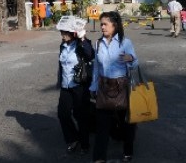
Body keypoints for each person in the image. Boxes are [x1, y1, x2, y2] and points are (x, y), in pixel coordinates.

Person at [90, 11, 139, 163]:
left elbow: (135, 63)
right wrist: (93, 86)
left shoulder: (125, 42)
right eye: (101, 24)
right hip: (104, 87)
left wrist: (131, 58)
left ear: (115, 25)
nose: (102, 27)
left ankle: (128, 150)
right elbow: (97, 68)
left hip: (122, 87)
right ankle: (99, 157)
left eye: (105, 24)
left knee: (127, 122)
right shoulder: (98, 43)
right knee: (102, 125)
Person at [57, 25, 94, 155]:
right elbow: (61, 65)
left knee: (81, 115)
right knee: (63, 114)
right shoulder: (63, 45)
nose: (62, 34)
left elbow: (90, 55)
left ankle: (85, 144)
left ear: (72, 32)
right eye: (61, 32)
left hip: (79, 85)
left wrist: (83, 38)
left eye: (65, 32)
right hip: (65, 85)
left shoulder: (82, 44)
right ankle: (72, 139)